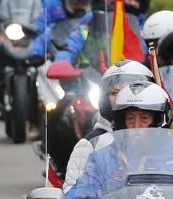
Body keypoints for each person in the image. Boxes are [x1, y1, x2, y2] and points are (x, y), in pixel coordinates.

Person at [68, 81, 173, 199]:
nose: (136, 126)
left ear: (158, 122)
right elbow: (80, 195)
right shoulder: (102, 158)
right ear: (121, 123)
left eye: (144, 118)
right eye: (130, 119)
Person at [62, 59, 154, 191]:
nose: (121, 97)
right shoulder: (90, 144)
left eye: (127, 90)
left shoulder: (165, 142)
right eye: (114, 92)